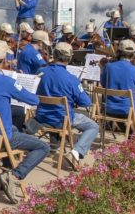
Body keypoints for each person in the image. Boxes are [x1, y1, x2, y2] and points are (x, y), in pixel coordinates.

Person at [0, 41, 50, 204]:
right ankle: (13, 175)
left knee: (14, 125)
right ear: (4, 60)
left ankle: (7, 169)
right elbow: (33, 100)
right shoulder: (6, 81)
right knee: (43, 146)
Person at [26, 42, 99, 170]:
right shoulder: (72, 79)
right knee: (93, 126)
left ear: (54, 54)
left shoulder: (41, 71)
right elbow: (86, 102)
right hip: (62, 119)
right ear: (70, 58)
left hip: (41, 116)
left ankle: (55, 145)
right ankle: (76, 152)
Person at [100, 39, 135, 136]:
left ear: (118, 52)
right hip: (126, 110)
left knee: (120, 107)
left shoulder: (108, 67)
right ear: (133, 54)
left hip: (107, 108)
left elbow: (104, 84)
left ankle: (130, 134)